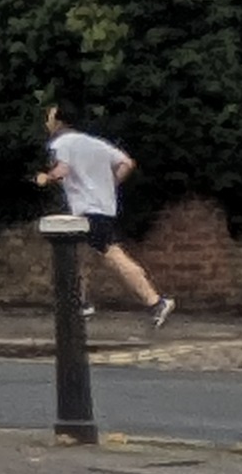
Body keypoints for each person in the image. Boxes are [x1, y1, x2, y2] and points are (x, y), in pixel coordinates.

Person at [38, 106, 168, 334]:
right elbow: (126, 163)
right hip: (104, 207)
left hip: (87, 209)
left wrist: (45, 177)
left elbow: (63, 170)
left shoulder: (62, 143)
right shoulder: (96, 143)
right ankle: (81, 302)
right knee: (80, 255)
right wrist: (109, 185)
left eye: (50, 119)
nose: (47, 123)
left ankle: (155, 301)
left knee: (112, 255)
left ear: (60, 123)